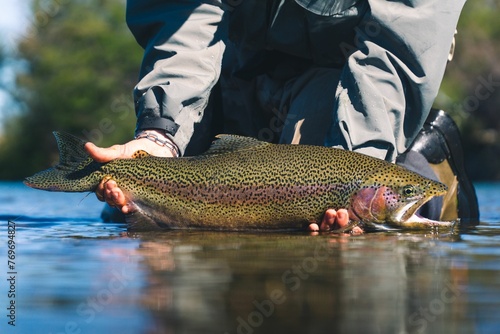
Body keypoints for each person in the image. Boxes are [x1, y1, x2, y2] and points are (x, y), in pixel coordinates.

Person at [85, 0, 479, 231]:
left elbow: (398, 49)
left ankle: (424, 165)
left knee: (347, 233)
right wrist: (160, 134)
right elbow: (180, 15)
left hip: (350, 82)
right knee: (136, 217)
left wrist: (355, 164)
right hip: (225, 70)